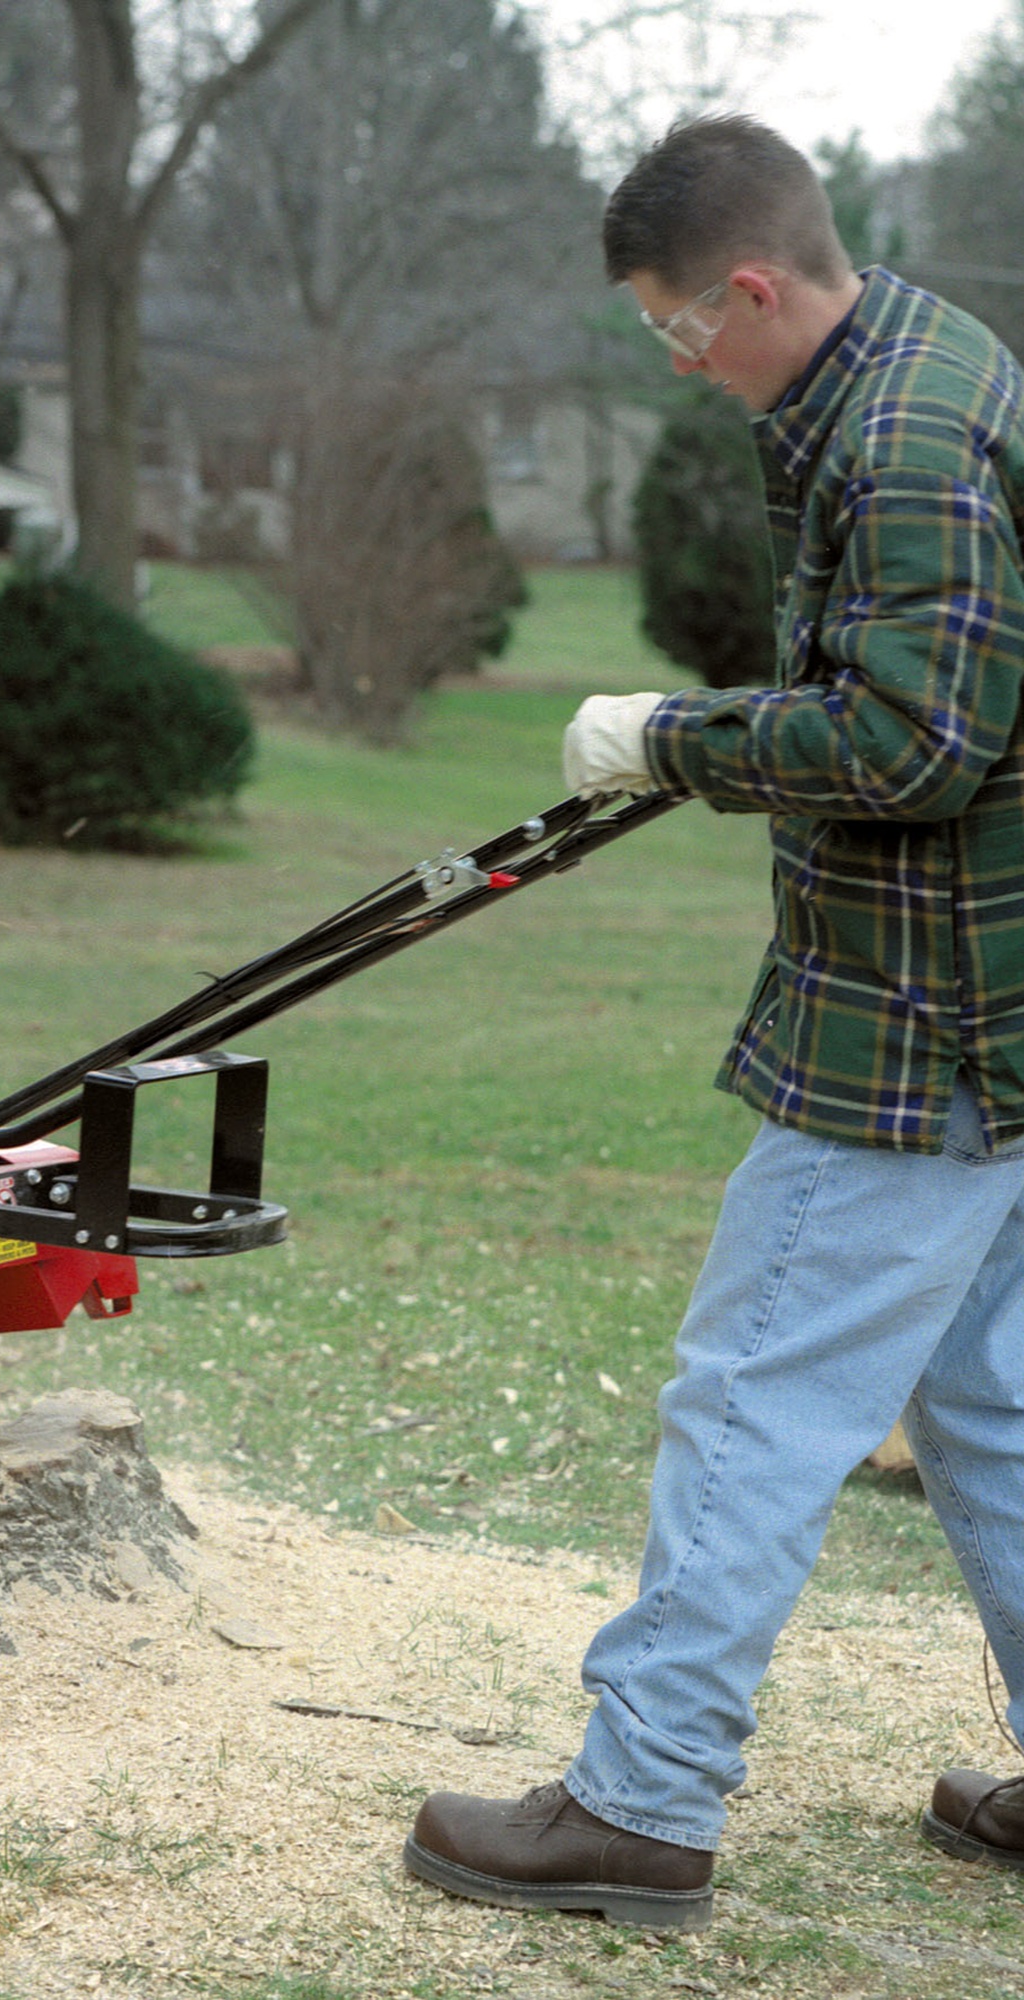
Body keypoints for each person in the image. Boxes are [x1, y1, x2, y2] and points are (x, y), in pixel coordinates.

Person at [403, 113, 1024, 1933]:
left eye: (680, 330)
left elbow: (912, 742)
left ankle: (642, 1800)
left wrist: (670, 738)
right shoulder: (919, 357)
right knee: (991, 1403)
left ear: (751, 287)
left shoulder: (904, 440)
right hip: (982, 999)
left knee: (752, 1394)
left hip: (919, 1020)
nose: (683, 366)